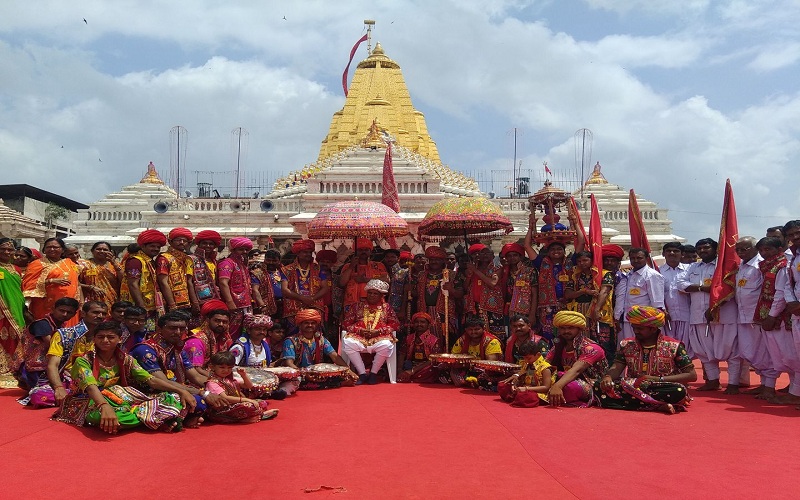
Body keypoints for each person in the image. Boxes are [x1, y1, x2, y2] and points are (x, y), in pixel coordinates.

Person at [60, 321, 197, 433]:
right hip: (90, 402)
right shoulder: (83, 361)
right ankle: (155, 418)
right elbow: (91, 387)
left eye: (110, 337)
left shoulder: (126, 359)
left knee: (173, 398)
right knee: (105, 416)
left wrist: (181, 390)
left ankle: (147, 418)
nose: (105, 340)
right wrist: (104, 406)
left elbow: (151, 380)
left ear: (119, 339)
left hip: (123, 400)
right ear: (94, 339)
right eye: (101, 337)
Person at [598, 306, 697, 414]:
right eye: (634, 327)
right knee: (599, 387)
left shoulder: (674, 346)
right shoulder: (626, 344)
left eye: (640, 329)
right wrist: (608, 377)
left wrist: (657, 379)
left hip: (661, 387)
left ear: (653, 328)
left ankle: (637, 404)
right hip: (633, 388)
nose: (635, 331)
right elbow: (617, 367)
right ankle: (656, 406)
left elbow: (692, 375)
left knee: (679, 390)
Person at [677, 238, 741, 392]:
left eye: (706, 248)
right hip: (699, 316)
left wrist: (715, 305)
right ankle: (712, 381)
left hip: (724, 315)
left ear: (716, 249)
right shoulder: (692, 267)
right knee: (704, 351)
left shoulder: (724, 266)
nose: (702, 251)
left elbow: (729, 289)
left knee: (730, 349)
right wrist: (704, 288)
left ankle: (733, 384)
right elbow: (680, 284)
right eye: (699, 248)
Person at [29, 301, 108, 407]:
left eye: (103, 313)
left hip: (96, 380)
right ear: (83, 313)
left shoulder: (105, 338)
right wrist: (58, 387)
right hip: (69, 380)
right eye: (95, 312)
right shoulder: (64, 335)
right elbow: (53, 365)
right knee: (39, 396)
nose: (100, 316)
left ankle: (81, 398)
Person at [733, 236, 776, 396]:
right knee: (749, 352)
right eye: (738, 250)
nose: (741, 252)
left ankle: (769, 387)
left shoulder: (761, 265)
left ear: (755, 248)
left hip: (758, 317)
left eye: (745, 249)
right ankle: (764, 384)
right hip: (743, 316)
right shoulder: (741, 266)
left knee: (764, 352)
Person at [764, 220, 800, 406]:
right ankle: (796, 394)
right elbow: (788, 285)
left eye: (798, 233)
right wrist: (793, 302)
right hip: (796, 312)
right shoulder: (793, 259)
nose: (795, 237)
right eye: (791, 235)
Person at [341, 279, 400, 385]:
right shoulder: (357, 306)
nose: (372, 295)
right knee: (348, 342)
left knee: (387, 345)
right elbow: (346, 323)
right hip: (359, 337)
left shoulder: (386, 308)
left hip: (380, 337)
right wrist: (359, 330)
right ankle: (362, 374)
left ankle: (373, 373)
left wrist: (380, 331)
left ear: (381, 296)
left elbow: (395, 324)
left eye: (375, 294)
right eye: (370, 293)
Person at [757, 236, 794, 400]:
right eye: (762, 250)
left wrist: (772, 316)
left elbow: (780, 294)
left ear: (779, 250)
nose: (764, 253)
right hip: (768, 317)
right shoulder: (766, 267)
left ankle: (795, 393)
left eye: (768, 249)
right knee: (779, 356)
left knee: (790, 356)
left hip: (780, 318)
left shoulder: (782, 266)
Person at [545, 310, 607, 407]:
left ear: (580, 329)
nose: (566, 331)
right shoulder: (558, 346)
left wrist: (557, 386)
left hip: (591, 385)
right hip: (563, 381)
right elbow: (545, 365)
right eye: (562, 328)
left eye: (570, 328)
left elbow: (576, 370)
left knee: (569, 387)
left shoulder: (591, 348)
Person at [17, 297, 79, 390]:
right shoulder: (42, 324)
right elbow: (53, 347)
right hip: (33, 368)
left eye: (69, 312)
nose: (65, 314)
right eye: (61, 310)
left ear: (74, 314)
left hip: (51, 365)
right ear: (53, 309)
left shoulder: (59, 325)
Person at [282, 309, 352, 389]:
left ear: (317, 325)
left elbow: (335, 356)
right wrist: (304, 374)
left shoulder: (321, 339)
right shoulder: (291, 341)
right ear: (300, 325)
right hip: (300, 374)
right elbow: (289, 363)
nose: (310, 325)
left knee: (342, 376)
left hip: (317, 373)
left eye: (313, 323)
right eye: (306, 323)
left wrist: (348, 370)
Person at [564, 250, 615, 361]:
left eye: (585, 260)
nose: (582, 263)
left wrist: (596, 310)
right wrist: (584, 291)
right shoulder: (574, 275)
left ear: (592, 260)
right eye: (579, 261)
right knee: (581, 340)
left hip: (599, 310)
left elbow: (604, 292)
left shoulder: (605, 273)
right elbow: (568, 294)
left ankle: (605, 368)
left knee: (601, 339)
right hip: (579, 311)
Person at [203, 351, 279, 423]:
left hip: (234, 405)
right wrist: (246, 400)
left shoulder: (228, 380)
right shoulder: (212, 383)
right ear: (212, 367)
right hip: (219, 411)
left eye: (229, 368)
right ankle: (256, 416)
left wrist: (243, 375)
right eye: (222, 367)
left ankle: (253, 415)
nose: (226, 370)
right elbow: (225, 398)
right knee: (249, 406)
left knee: (261, 402)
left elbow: (249, 386)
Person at [22, 237, 81, 327]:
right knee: (45, 331)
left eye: (55, 247)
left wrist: (81, 302)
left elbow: (77, 284)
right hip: (45, 305)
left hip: (69, 305)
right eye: (49, 247)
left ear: (62, 250)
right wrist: (51, 281)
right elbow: (27, 285)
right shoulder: (36, 264)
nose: (52, 249)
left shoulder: (70, 263)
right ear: (44, 250)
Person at [413, 246, 461, 348]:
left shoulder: (451, 275)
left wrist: (451, 289)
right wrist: (410, 290)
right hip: (424, 312)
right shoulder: (421, 274)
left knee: (445, 339)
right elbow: (416, 293)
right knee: (424, 338)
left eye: (437, 260)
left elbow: (460, 294)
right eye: (432, 260)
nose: (434, 262)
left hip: (444, 312)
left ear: (443, 261)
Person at [614, 248, 665, 341]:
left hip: (644, 321)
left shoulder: (652, 275)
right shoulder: (628, 275)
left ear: (646, 258)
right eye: (632, 258)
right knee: (628, 346)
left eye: (639, 258)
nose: (635, 260)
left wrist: (653, 323)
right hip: (628, 319)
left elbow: (657, 303)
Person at [120, 229, 167, 333]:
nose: (156, 249)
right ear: (143, 246)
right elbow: (133, 284)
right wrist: (141, 307)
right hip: (139, 307)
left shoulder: (149, 261)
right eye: (152, 246)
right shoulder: (135, 261)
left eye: (158, 247)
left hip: (150, 306)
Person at [281, 239, 329, 332]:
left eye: (309, 252)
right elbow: (284, 289)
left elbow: (325, 287)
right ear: (298, 253)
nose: (308, 254)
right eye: (305, 252)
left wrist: (312, 298)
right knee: (294, 333)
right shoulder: (287, 269)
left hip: (314, 306)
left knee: (315, 334)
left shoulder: (318, 269)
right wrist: (302, 298)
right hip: (294, 308)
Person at [465, 244, 505, 341]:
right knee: (475, 334)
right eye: (483, 253)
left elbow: (492, 283)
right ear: (478, 255)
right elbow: (465, 287)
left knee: (494, 334)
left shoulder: (498, 268)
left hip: (491, 307)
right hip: (474, 306)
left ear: (492, 255)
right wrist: (469, 274)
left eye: (488, 253)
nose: (485, 255)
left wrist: (475, 271)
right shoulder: (473, 267)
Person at [659, 242, 692, 357]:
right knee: (667, 349)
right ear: (663, 253)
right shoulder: (658, 272)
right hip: (666, 318)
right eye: (668, 251)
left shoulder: (690, 270)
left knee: (686, 350)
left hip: (687, 316)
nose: (672, 253)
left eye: (676, 251)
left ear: (682, 254)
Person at [339, 239, 388, 316]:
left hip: (374, 303)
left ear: (370, 251)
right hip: (351, 302)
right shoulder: (348, 266)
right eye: (360, 250)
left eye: (366, 250)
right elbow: (342, 283)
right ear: (355, 252)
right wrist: (351, 267)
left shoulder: (378, 265)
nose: (363, 252)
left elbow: (386, 280)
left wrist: (366, 280)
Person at [497, 339, 553, 407]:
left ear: (538, 355)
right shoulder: (527, 363)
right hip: (524, 389)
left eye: (528, 358)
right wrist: (514, 384)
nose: (526, 361)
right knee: (502, 385)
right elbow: (520, 376)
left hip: (537, 393)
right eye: (524, 358)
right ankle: (517, 397)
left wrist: (526, 389)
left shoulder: (545, 368)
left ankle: (517, 398)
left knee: (525, 396)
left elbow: (546, 388)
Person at [0, 238, 25, 387]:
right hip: (2, 310)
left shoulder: (16, 269)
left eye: (10, 249)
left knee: (16, 337)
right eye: (3, 249)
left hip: (16, 308)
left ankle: (14, 369)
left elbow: (19, 290)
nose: (6, 252)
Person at [218, 237, 255, 338]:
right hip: (234, 305)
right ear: (233, 249)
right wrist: (230, 302)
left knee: (244, 333)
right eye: (241, 249)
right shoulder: (227, 263)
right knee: (231, 333)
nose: (244, 252)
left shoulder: (242, 264)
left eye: (246, 249)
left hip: (245, 305)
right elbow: (223, 282)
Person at [183, 299, 232, 374]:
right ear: (207, 320)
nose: (221, 324)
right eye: (217, 321)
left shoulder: (224, 338)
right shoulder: (196, 341)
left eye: (225, 322)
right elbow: (196, 370)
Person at [157, 228, 196, 318]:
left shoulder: (187, 258)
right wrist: (172, 305)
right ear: (170, 242)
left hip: (187, 302)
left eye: (184, 240)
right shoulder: (164, 258)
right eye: (178, 240)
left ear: (189, 243)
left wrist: (194, 301)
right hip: (172, 304)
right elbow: (163, 282)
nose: (181, 242)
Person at [398, 312, 443, 383]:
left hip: (425, 367)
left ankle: (410, 377)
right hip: (410, 365)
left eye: (422, 322)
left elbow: (433, 360)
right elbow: (402, 354)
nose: (419, 324)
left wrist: (413, 371)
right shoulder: (408, 338)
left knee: (431, 369)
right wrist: (399, 370)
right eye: (416, 322)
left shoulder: (434, 340)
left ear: (428, 325)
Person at [502, 243, 538, 328]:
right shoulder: (505, 272)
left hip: (526, 310)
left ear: (521, 256)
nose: (512, 258)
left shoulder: (530, 271)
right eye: (509, 256)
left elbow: (534, 294)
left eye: (515, 255)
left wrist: (532, 314)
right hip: (509, 310)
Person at [78, 241, 123, 306]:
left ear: (110, 252)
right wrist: (90, 287)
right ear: (92, 251)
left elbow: (123, 281)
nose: (101, 251)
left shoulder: (115, 265)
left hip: (113, 302)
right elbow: (74, 283)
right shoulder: (83, 265)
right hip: (90, 302)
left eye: (105, 250)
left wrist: (114, 263)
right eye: (98, 249)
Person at [190, 230, 222, 316]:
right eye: (204, 243)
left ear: (215, 246)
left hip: (213, 299)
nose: (208, 246)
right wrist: (194, 302)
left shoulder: (213, 261)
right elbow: (188, 282)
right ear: (198, 244)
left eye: (211, 244)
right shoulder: (191, 259)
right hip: (198, 299)